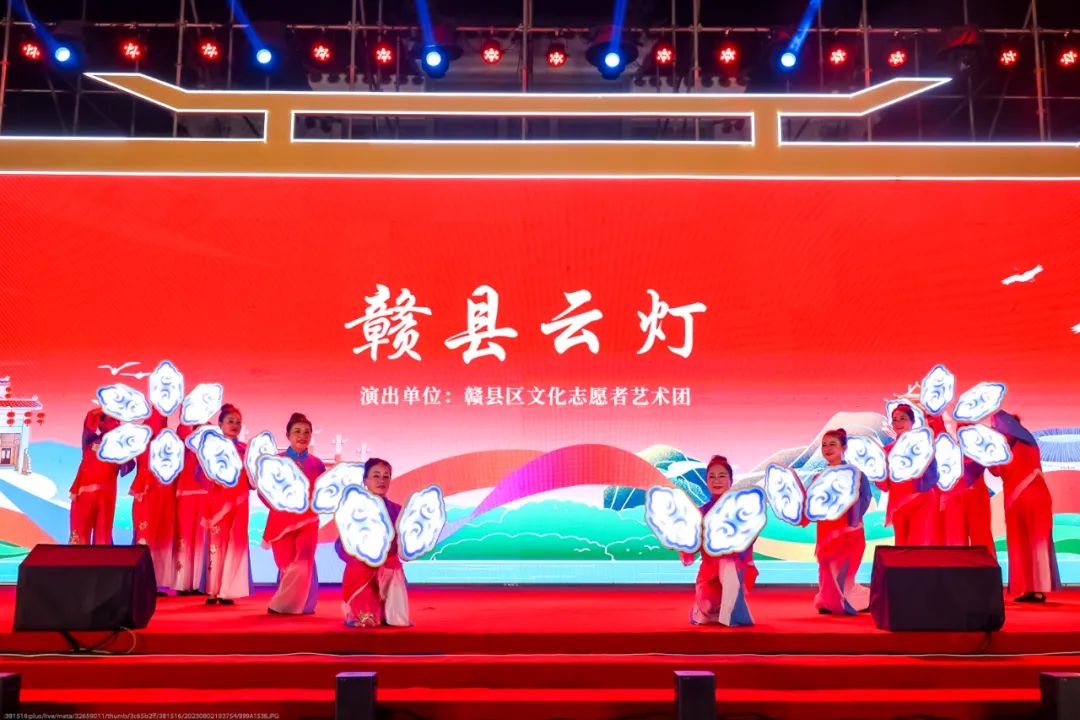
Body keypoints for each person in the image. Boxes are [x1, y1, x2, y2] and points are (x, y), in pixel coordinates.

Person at [988, 411, 1061, 603]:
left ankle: (1039, 589)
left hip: (1034, 496)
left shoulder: (1027, 442)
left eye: (998, 426)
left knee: (1037, 540)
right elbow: (996, 471)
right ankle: (1026, 588)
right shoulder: (1003, 448)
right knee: (1018, 543)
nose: (996, 430)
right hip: (1014, 501)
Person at [679, 455, 757, 627]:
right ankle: (722, 609)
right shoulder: (701, 512)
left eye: (722, 476)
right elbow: (691, 545)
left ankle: (731, 612)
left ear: (730, 480)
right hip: (709, 571)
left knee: (727, 566)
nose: (716, 481)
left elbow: (748, 539)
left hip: (733, 568)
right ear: (706, 481)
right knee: (704, 613)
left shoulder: (739, 510)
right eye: (712, 477)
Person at [335, 457, 410, 627]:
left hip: (390, 570)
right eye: (376, 476)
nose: (381, 480)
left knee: (397, 622)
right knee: (366, 621)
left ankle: (388, 608)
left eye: (386, 476)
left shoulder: (398, 511)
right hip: (363, 570)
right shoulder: (354, 509)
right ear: (365, 480)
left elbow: (404, 546)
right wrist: (363, 559)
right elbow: (341, 545)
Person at [263, 412, 322, 615]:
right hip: (281, 521)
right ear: (288, 435)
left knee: (303, 561)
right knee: (286, 564)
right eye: (297, 431)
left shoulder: (317, 464)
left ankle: (291, 605)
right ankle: (291, 604)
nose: (302, 436)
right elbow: (264, 492)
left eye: (307, 432)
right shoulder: (276, 461)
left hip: (309, 521)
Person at [810, 429, 872, 615]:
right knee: (826, 566)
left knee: (843, 571)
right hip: (826, 530)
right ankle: (829, 600)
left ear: (843, 447)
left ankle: (846, 601)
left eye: (833, 444)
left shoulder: (855, 473)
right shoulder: (818, 477)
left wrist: (854, 520)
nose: (827, 448)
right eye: (824, 445)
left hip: (849, 531)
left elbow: (866, 497)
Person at [201, 404, 253, 605]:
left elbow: (252, 479)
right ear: (220, 424)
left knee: (235, 543)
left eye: (238, 422)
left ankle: (227, 591)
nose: (235, 425)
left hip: (240, 501)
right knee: (217, 544)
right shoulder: (212, 448)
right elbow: (201, 475)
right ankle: (213, 590)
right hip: (218, 501)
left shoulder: (246, 450)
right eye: (230, 421)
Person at [876, 404, 942, 545]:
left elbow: (933, 475)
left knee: (918, 545)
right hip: (899, 506)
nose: (898, 423)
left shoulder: (922, 445)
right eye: (895, 420)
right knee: (901, 546)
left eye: (902, 418)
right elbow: (883, 486)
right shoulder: (886, 451)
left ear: (912, 421)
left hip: (921, 502)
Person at [130, 409, 176, 594]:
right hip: (147, 493)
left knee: (162, 538)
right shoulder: (143, 441)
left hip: (165, 494)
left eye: (164, 420)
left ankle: (155, 582)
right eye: (160, 420)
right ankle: (142, 582)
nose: (163, 423)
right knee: (146, 537)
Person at [69, 409, 132, 545]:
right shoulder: (90, 440)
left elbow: (128, 466)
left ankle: (103, 559)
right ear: (101, 424)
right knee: (80, 534)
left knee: (103, 537)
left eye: (117, 421)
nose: (115, 424)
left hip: (106, 495)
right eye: (111, 420)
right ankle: (76, 558)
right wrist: (106, 408)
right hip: (84, 493)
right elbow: (90, 417)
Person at [173, 423, 209, 596]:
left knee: (201, 539)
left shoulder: (210, 436)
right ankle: (182, 583)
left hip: (205, 495)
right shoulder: (183, 438)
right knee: (184, 538)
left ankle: (199, 583)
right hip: (184, 494)